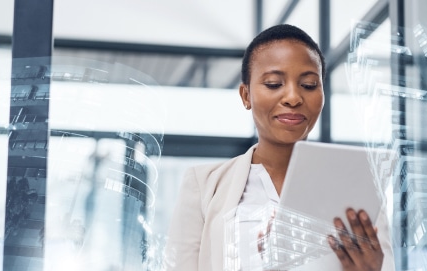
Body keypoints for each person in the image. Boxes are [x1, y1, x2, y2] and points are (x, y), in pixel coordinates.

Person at [165, 24, 393, 271]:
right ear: (246, 96)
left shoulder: (356, 192)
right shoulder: (203, 186)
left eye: (308, 85)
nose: (293, 97)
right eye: (274, 84)